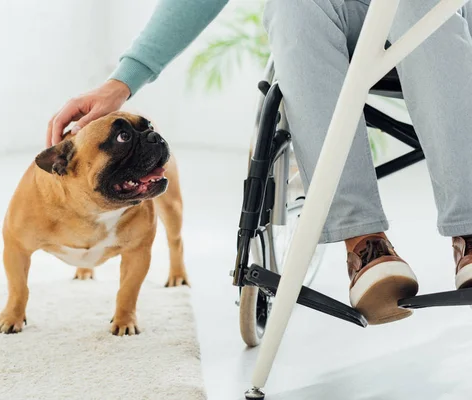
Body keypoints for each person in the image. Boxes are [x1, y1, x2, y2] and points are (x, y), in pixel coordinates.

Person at [45, 0, 472, 325]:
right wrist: (122, 81)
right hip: (336, 22)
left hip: (440, 17)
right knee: (293, 6)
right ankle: (363, 243)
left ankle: (469, 228)